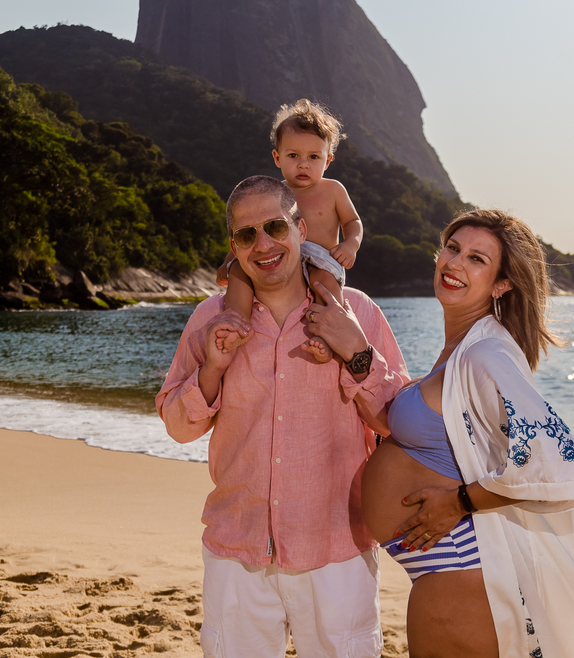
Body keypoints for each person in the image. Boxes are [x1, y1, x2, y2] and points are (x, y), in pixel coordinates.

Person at [359, 209, 574, 658]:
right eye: (452, 248)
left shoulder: (485, 352)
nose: (454, 264)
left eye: (476, 259)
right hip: (449, 567)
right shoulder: (463, 349)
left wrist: (460, 501)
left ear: (501, 284)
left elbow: (551, 460)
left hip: (459, 569)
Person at [156, 175, 409, 658]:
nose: (264, 245)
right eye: (247, 234)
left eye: (275, 227)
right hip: (237, 548)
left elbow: (395, 422)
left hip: (336, 548)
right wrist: (213, 366)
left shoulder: (355, 312)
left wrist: (355, 352)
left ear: (299, 227)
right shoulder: (210, 319)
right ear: (234, 245)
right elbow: (178, 426)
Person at [215, 99, 362, 361]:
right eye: (293, 156)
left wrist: (351, 244)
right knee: (239, 271)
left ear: (327, 160)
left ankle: (328, 337)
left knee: (324, 286)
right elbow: (250, 234)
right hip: (280, 253)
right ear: (277, 157)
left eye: (313, 157)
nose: (303, 164)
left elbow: (353, 222)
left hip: (321, 257)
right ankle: (235, 319)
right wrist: (229, 261)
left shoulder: (333, 190)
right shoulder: (275, 193)